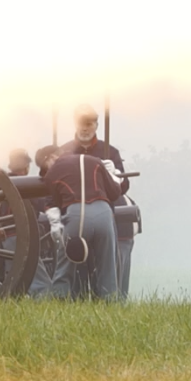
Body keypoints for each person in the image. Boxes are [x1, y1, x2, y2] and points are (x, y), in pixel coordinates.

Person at [41, 111, 132, 302]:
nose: (84, 128)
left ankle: (61, 300)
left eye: (89, 124)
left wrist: (115, 171)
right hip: (99, 213)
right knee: (97, 268)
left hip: (78, 216)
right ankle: (105, 302)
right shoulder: (66, 151)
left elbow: (122, 188)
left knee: (70, 263)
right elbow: (115, 189)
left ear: (96, 125)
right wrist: (113, 177)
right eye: (81, 124)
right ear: (75, 125)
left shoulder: (110, 152)